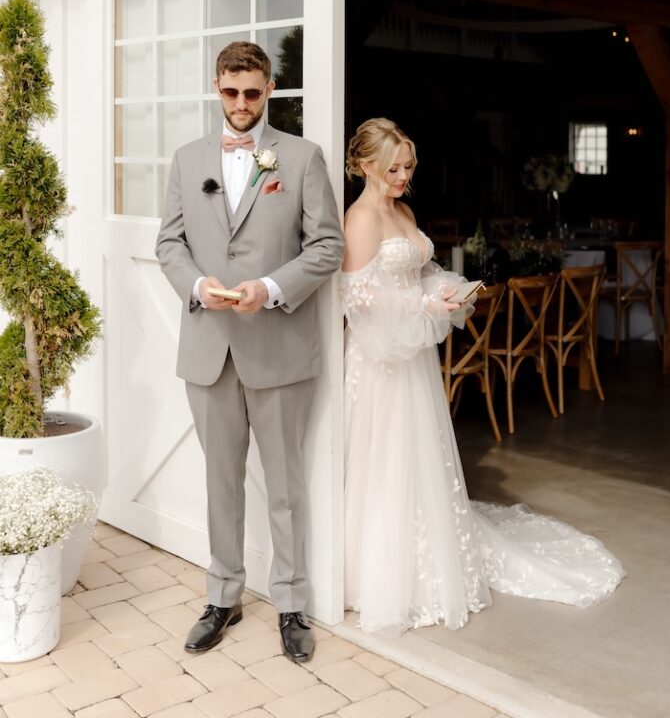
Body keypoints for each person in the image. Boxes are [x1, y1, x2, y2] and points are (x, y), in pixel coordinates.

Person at [341, 117, 624, 635]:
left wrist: (445, 288)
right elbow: (357, 293)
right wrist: (422, 302)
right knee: (383, 457)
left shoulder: (402, 209)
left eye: (408, 166)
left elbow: (418, 270)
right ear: (365, 166)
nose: (404, 176)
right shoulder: (360, 219)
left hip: (413, 355)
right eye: (394, 168)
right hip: (380, 360)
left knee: (419, 454)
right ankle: (375, 570)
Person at [155, 41, 344, 662]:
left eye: (254, 93)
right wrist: (197, 285)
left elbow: (326, 248)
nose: (242, 104)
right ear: (217, 87)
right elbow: (170, 243)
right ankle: (223, 596)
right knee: (220, 481)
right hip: (208, 347)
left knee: (285, 484)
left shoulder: (304, 157)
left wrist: (269, 289)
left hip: (279, 346)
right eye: (231, 91)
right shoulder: (186, 159)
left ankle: (291, 604)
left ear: (269, 91)